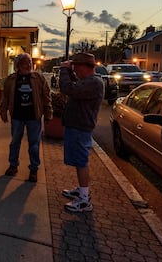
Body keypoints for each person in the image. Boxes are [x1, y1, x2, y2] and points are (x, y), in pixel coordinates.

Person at [57, 52, 104, 212]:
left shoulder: (94, 83)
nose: (75, 70)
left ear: (84, 67)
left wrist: (64, 70)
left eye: (76, 67)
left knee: (81, 161)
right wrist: (69, 71)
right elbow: (74, 84)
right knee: (78, 161)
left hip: (80, 128)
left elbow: (67, 88)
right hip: (77, 126)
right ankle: (81, 190)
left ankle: (84, 200)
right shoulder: (87, 81)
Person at [0, 53, 52, 181]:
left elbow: (46, 96)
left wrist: (48, 113)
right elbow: (5, 97)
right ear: (18, 65)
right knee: (14, 142)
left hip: (34, 117)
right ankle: (13, 166)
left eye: (29, 62)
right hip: (17, 116)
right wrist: (3, 111)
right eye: (24, 63)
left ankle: (34, 169)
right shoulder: (11, 80)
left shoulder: (38, 78)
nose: (28, 65)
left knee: (34, 144)